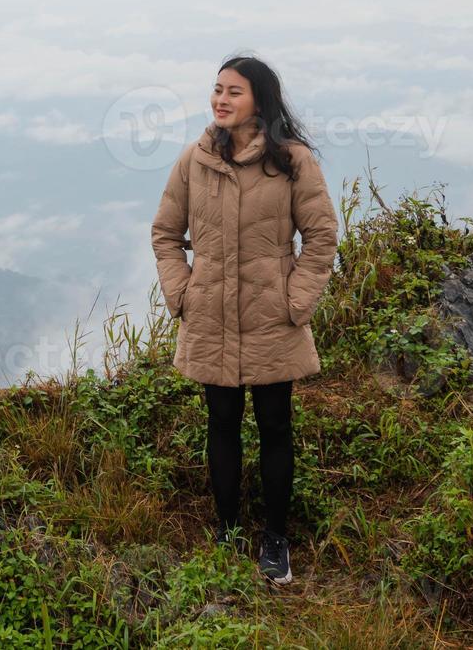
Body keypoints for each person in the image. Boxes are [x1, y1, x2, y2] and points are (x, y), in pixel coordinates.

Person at [150, 54, 339, 586]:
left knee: (276, 425)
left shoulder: (292, 161)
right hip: (210, 315)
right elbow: (165, 233)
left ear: (260, 99)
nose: (220, 100)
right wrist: (182, 292)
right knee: (222, 423)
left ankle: (275, 539)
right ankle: (227, 532)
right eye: (216, 90)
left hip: (271, 317)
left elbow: (321, 235)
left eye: (233, 91)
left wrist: (294, 301)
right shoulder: (194, 160)